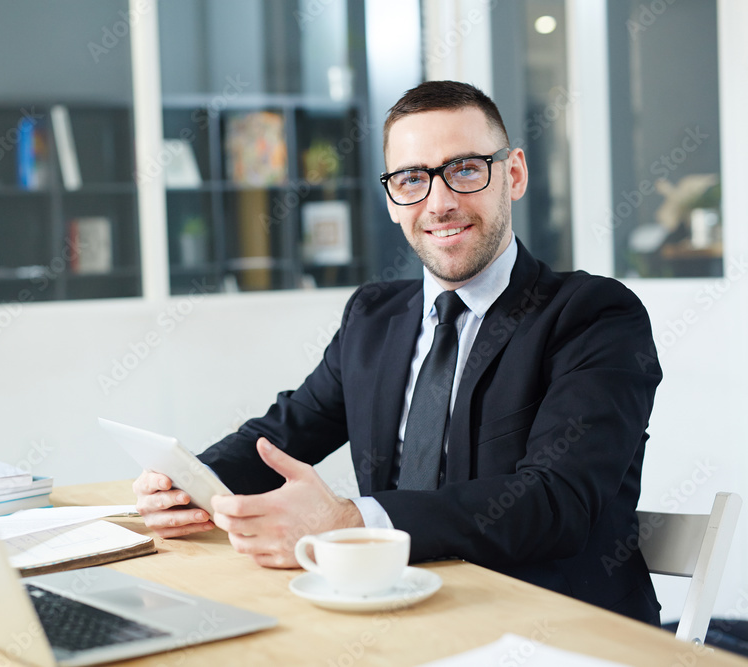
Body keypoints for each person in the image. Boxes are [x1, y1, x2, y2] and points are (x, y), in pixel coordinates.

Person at [133, 80, 662, 625]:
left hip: (555, 628)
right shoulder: (374, 317)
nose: (440, 202)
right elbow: (288, 429)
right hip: (396, 612)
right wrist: (193, 482)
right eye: (412, 179)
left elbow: (556, 502)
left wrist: (349, 521)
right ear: (391, 200)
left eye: (465, 169)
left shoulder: (594, 315)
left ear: (515, 174)